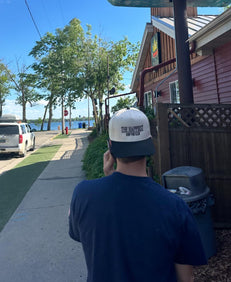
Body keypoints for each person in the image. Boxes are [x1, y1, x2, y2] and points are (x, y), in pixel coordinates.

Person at [69, 107, 207, 282]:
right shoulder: (175, 206)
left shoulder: (83, 194)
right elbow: (186, 278)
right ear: (149, 143)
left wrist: (109, 179)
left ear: (110, 147)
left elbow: (92, 236)